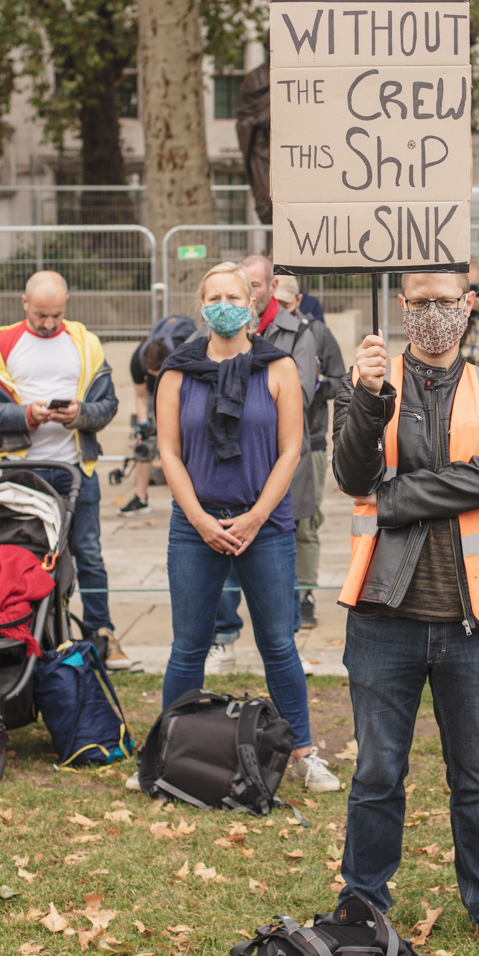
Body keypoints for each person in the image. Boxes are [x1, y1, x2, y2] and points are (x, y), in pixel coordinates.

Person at [332, 265, 479, 956]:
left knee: (476, 773)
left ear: (469, 304)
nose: (433, 313)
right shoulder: (370, 379)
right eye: (419, 302)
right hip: (383, 614)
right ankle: (361, 902)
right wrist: (366, 400)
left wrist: (395, 497)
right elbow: (352, 474)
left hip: (472, 617)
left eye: (446, 301)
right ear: (400, 303)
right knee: (377, 772)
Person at [152, 262, 337, 793]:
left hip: (267, 525)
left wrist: (256, 517)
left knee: (278, 643)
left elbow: (291, 451)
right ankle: (170, 753)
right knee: (188, 646)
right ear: (202, 304)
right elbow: (168, 451)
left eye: (235, 294)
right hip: (196, 525)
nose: (225, 303)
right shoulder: (177, 372)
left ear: (253, 304)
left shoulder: (276, 368)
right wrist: (200, 519)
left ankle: (303, 754)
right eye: (215, 295)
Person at [0, 271, 129, 670]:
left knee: (88, 554)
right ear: (24, 304)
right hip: (22, 474)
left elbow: (108, 406)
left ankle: (101, 633)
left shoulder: (85, 343)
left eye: (56, 314)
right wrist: (25, 415)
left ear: (67, 304)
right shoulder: (2, 343)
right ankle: (22, 634)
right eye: (41, 315)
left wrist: (80, 415)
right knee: (21, 556)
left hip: (77, 467)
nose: (49, 323)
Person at [211, 253, 327, 661]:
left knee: (290, 543)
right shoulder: (207, 337)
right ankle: (224, 636)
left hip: (282, 460)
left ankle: (288, 634)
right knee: (222, 554)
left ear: (269, 287)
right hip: (229, 468)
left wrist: (242, 406)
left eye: (252, 286)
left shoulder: (298, 333)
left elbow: (302, 397)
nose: (243, 295)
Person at [276, 273, 346, 629]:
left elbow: (341, 378)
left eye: (287, 306)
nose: (282, 313)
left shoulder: (316, 332)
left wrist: (317, 389)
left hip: (312, 439)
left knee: (306, 523)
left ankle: (304, 595)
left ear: (298, 301)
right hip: (269, 443)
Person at [116, 313, 198, 517]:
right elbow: (141, 396)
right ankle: (141, 498)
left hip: (183, 390)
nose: (156, 375)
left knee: (187, 445)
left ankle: (192, 499)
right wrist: (144, 423)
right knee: (144, 444)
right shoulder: (138, 359)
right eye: (153, 373)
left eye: (159, 371)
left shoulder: (183, 349)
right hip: (154, 396)